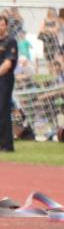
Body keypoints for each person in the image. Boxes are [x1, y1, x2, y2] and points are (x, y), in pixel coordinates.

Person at [0, 15, 15, 152]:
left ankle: (6, 145)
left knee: (3, 110)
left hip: (4, 79)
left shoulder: (10, 41)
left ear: (6, 26)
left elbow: (8, 64)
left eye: (2, 24)